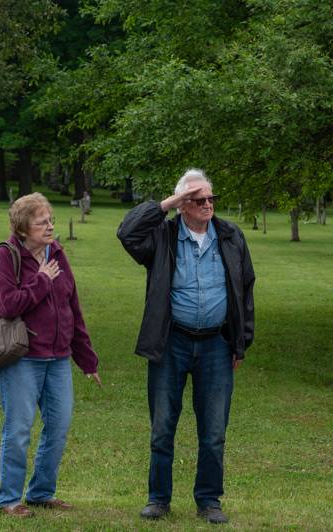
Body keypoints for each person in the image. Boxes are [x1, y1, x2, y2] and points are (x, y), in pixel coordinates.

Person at [117, 168, 255, 525]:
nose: (208, 205)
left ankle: (209, 500)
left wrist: (241, 343)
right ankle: (158, 499)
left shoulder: (230, 235)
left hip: (216, 344)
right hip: (171, 342)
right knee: (163, 427)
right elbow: (126, 232)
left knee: (213, 432)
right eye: (198, 200)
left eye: (211, 198)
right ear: (182, 205)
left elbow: (246, 288)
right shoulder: (162, 236)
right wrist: (167, 204)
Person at [0, 192, 101, 518]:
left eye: (50, 220)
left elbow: (72, 308)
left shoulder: (58, 254)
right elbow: (7, 305)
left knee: (59, 425)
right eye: (42, 222)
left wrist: (87, 359)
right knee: (19, 429)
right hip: (22, 357)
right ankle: (9, 499)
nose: (50, 227)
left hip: (59, 357)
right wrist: (41, 280)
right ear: (23, 229)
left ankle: (41, 492)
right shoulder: (5, 257)